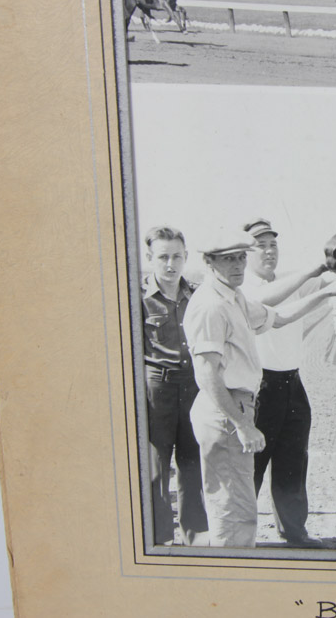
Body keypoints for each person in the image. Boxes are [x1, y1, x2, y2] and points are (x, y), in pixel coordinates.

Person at [183, 229, 336, 547]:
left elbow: (279, 317)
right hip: (225, 411)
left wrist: (326, 294)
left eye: (240, 257)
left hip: (235, 408)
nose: (237, 265)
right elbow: (206, 373)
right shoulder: (211, 305)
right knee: (233, 513)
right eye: (228, 259)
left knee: (239, 509)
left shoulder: (233, 298)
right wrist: (242, 424)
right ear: (209, 262)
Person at [242, 217, 332, 548]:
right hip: (260, 387)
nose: (269, 251)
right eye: (260, 246)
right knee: (252, 464)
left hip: (293, 383)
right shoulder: (244, 288)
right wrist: (314, 272)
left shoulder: (287, 282)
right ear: (246, 253)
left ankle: (294, 531)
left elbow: (324, 284)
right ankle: (241, 535)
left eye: (273, 245)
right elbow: (269, 300)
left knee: (293, 461)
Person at [141, 226, 207, 546]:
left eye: (177, 257)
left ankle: (196, 536)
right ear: (150, 258)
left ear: (186, 257)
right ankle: (162, 537)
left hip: (193, 387)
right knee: (157, 466)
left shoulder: (197, 295)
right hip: (158, 389)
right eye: (163, 257)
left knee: (193, 463)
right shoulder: (138, 300)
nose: (170, 264)